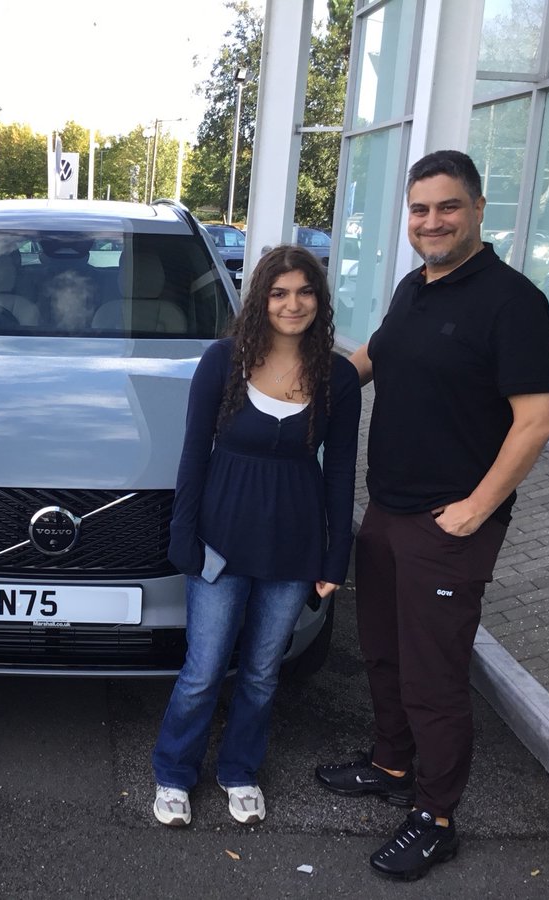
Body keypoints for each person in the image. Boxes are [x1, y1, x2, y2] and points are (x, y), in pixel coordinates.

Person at [314, 150, 549, 881]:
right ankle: (392, 766)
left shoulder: (513, 302)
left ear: (479, 208)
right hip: (387, 510)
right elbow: (367, 361)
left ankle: (436, 815)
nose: (432, 221)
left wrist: (476, 511)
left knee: (435, 674)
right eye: (420, 210)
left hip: (449, 525)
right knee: (384, 652)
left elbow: (538, 420)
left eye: (447, 207)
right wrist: (288, 388)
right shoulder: (412, 289)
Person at [152, 245, 360, 827]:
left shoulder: (337, 378)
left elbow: (341, 472)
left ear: (319, 300)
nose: (292, 304)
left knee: (265, 672)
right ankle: (173, 773)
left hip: (293, 550)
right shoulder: (222, 361)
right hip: (219, 543)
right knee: (203, 670)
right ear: (261, 299)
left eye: (304, 292)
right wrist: (182, 535)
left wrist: (335, 556)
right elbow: (193, 455)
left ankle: (239, 770)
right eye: (279, 293)